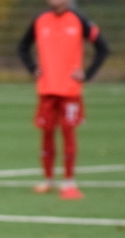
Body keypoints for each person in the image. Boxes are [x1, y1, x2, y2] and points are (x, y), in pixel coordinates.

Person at [17, 0, 109, 200]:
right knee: (47, 133)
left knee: (68, 133)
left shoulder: (80, 20)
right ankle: (48, 179)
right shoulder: (40, 20)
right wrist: (33, 68)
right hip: (47, 89)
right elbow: (22, 46)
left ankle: (69, 181)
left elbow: (103, 48)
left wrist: (87, 74)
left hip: (70, 90)